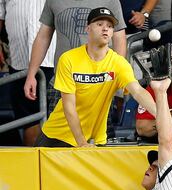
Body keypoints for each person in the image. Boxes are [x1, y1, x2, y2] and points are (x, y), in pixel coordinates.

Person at [34, 7, 156, 147]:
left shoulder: (118, 63)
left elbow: (138, 91)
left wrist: (160, 115)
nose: (105, 29)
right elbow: (69, 106)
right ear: (88, 28)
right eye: (99, 24)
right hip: (57, 137)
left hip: (94, 140)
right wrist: (82, 143)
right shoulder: (68, 59)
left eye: (110, 26)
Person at [24, 0, 127, 114]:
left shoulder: (111, 1)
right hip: (62, 82)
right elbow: (43, 37)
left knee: (100, 131)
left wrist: (118, 78)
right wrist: (31, 74)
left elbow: (119, 38)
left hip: (99, 82)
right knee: (58, 130)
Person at [0, 0, 56, 146]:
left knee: (58, 122)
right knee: (29, 120)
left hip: (55, 60)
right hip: (20, 60)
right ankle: (34, 167)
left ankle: (54, 167)